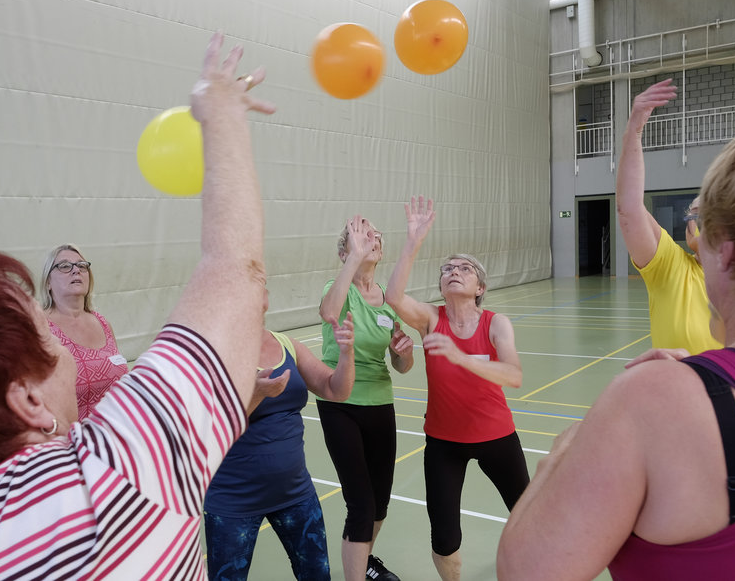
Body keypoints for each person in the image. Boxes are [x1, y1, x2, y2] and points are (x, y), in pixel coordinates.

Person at [0, 32, 277, 580]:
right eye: (48, 340)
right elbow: (234, 269)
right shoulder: (117, 477)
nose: (60, 341)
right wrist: (220, 111)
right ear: (28, 403)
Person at [497, 117, 735, 579]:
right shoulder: (674, 270)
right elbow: (630, 208)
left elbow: (526, 569)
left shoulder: (651, 400)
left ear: (728, 253)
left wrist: (570, 448)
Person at [385, 196, 529, 581]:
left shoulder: (496, 323)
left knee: (530, 517)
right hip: (444, 443)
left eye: (464, 268)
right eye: (447, 268)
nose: (454, 271)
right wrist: (413, 241)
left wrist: (460, 356)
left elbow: (513, 375)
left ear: (480, 287)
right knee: (444, 537)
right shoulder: (432, 319)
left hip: (497, 437)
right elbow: (394, 298)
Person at [203, 289, 356, 581]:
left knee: (316, 575)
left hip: (296, 492)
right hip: (234, 500)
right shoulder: (213, 353)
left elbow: (336, 390)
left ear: (265, 297)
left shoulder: (287, 344)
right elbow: (211, 426)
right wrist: (256, 395)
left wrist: (347, 355)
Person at [317, 215, 415, 581]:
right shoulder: (337, 289)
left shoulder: (389, 303)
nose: (372, 239)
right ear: (346, 251)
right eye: (361, 237)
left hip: (380, 404)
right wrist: (353, 261)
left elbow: (402, 364)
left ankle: (365, 561)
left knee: (379, 505)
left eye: (376, 236)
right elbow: (329, 312)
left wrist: (404, 353)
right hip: (340, 403)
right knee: (360, 505)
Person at [616, 78, 721, 355]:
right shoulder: (671, 268)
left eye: (705, 213)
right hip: (679, 395)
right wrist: (634, 130)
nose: (695, 221)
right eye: (693, 215)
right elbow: (629, 208)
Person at [41, 244, 127, 419]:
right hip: (71, 440)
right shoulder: (40, 328)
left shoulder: (103, 323)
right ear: (48, 282)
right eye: (64, 266)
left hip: (114, 434)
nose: (76, 271)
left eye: (82, 266)